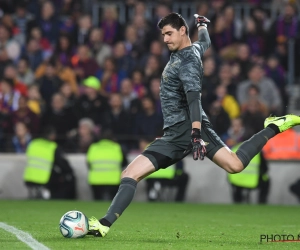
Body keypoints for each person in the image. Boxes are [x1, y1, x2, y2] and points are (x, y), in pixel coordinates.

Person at [88, 13, 300, 237]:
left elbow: (194, 99)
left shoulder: (188, 60)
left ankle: (274, 127)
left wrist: (196, 133)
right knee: (130, 174)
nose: (165, 39)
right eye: (162, 35)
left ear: (182, 31)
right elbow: (205, 42)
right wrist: (203, 26)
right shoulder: (193, 49)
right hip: (175, 134)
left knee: (235, 166)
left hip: (189, 128)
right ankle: (103, 224)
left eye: (169, 33)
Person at [23, 126, 76, 200]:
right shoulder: (52, 147)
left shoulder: (33, 143)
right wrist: (70, 171)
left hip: (29, 178)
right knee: (63, 179)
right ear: (52, 136)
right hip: (43, 179)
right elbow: (62, 164)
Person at [87, 130, 128, 201]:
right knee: (113, 203)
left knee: (97, 202)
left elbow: (88, 164)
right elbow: (124, 162)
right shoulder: (117, 147)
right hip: (113, 180)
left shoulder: (93, 147)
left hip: (96, 180)